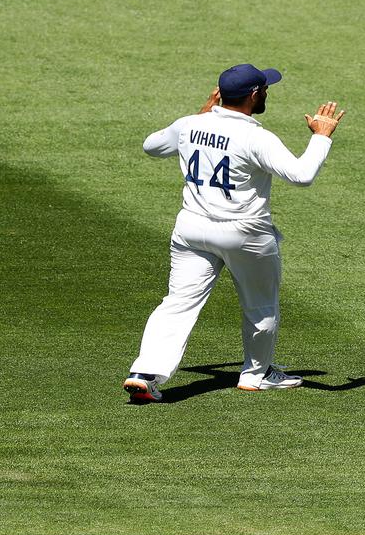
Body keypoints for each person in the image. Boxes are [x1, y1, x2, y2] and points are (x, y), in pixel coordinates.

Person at [123, 64, 345, 402]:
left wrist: (198, 117)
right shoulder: (256, 136)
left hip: (192, 230)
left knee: (178, 303)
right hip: (245, 234)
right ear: (254, 95)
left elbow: (152, 146)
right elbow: (301, 175)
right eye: (265, 89)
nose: (267, 93)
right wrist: (321, 135)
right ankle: (256, 375)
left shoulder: (190, 125)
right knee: (261, 308)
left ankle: (145, 372)